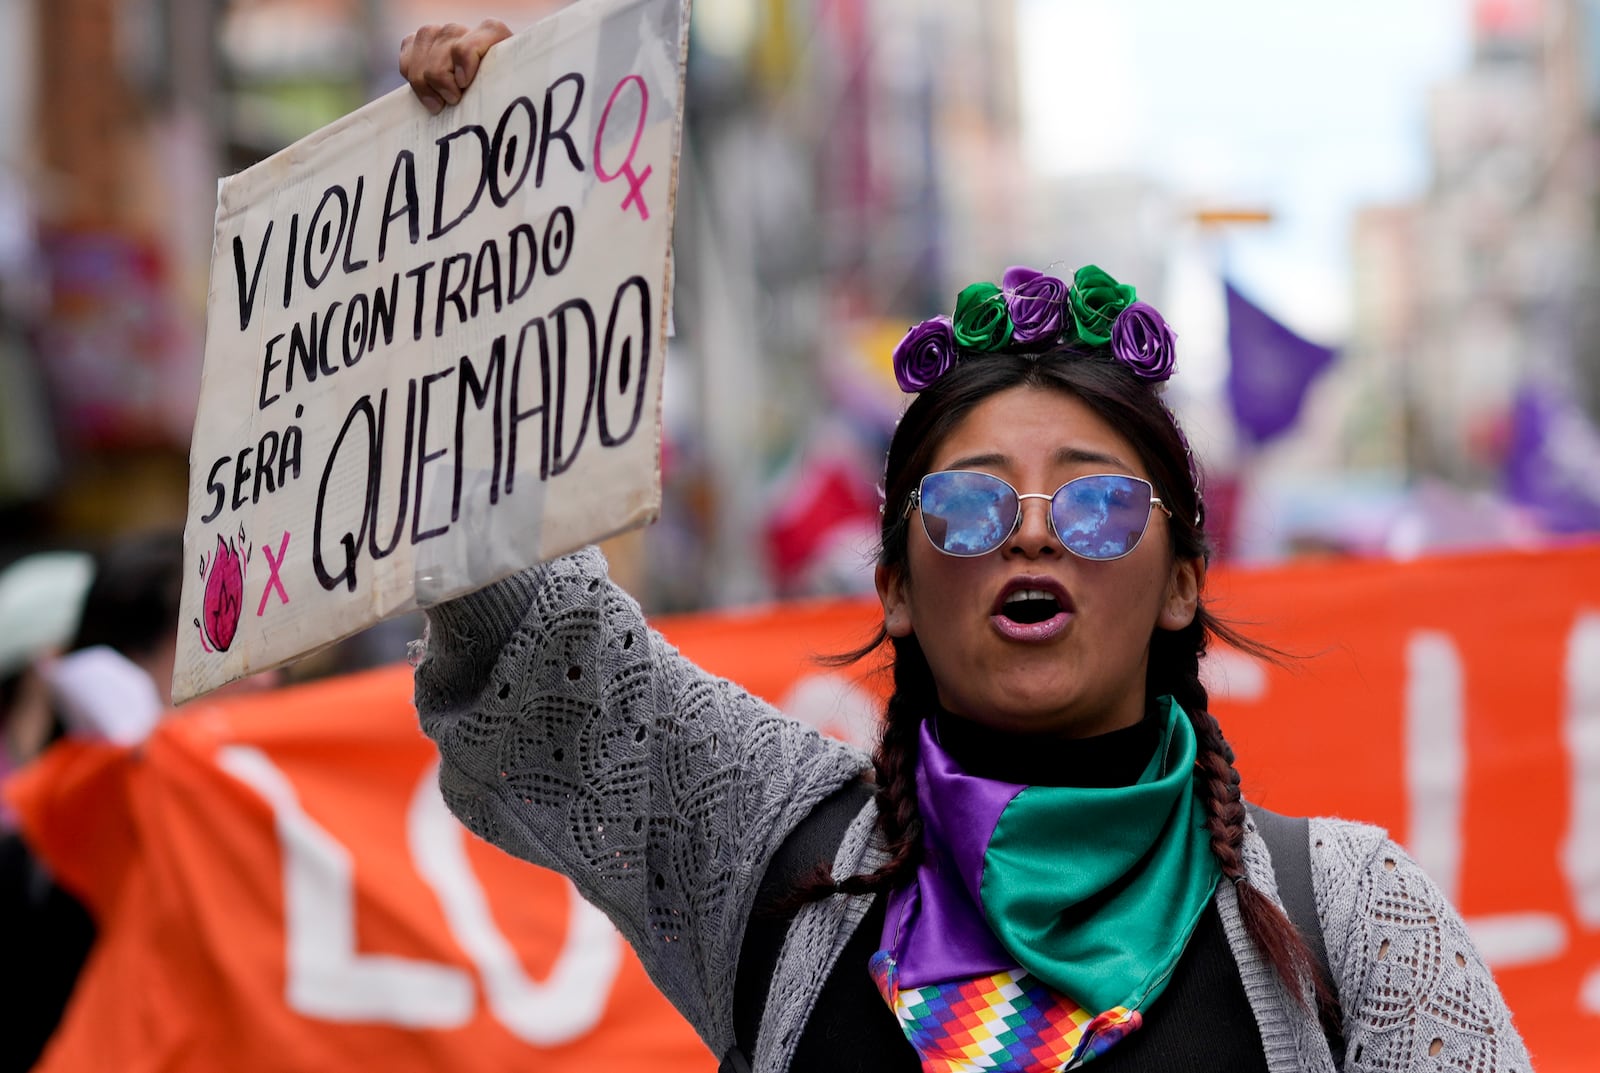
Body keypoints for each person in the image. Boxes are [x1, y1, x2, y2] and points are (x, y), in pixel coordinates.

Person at [402, 24, 1529, 1073]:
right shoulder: (768, 838)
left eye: (1092, 506)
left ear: (1182, 579)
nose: (1031, 529)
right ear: (893, 584)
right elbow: (540, 647)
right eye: (971, 510)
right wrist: (498, 209)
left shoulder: (1351, 913)